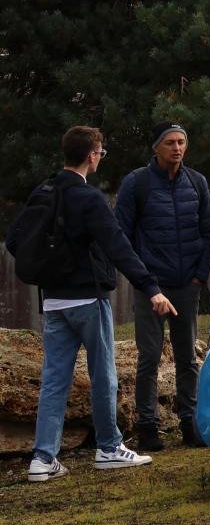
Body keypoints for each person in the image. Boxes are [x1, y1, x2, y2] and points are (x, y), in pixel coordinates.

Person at [5, 126, 176, 482]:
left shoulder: (44, 190)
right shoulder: (89, 199)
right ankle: (110, 447)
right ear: (92, 156)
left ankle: (42, 458)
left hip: (52, 303)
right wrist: (151, 288)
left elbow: (15, 240)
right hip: (87, 299)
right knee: (104, 377)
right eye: (101, 152)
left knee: (54, 381)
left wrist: (54, 269)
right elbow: (118, 247)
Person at [115, 122, 210, 451]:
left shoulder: (197, 182)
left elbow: (208, 232)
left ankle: (191, 423)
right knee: (149, 358)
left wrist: (199, 276)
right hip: (150, 286)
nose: (177, 148)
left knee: (188, 358)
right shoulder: (137, 183)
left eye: (182, 142)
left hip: (187, 285)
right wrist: (144, 282)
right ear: (156, 147)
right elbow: (122, 237)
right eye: (170, 142)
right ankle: (148, 427)